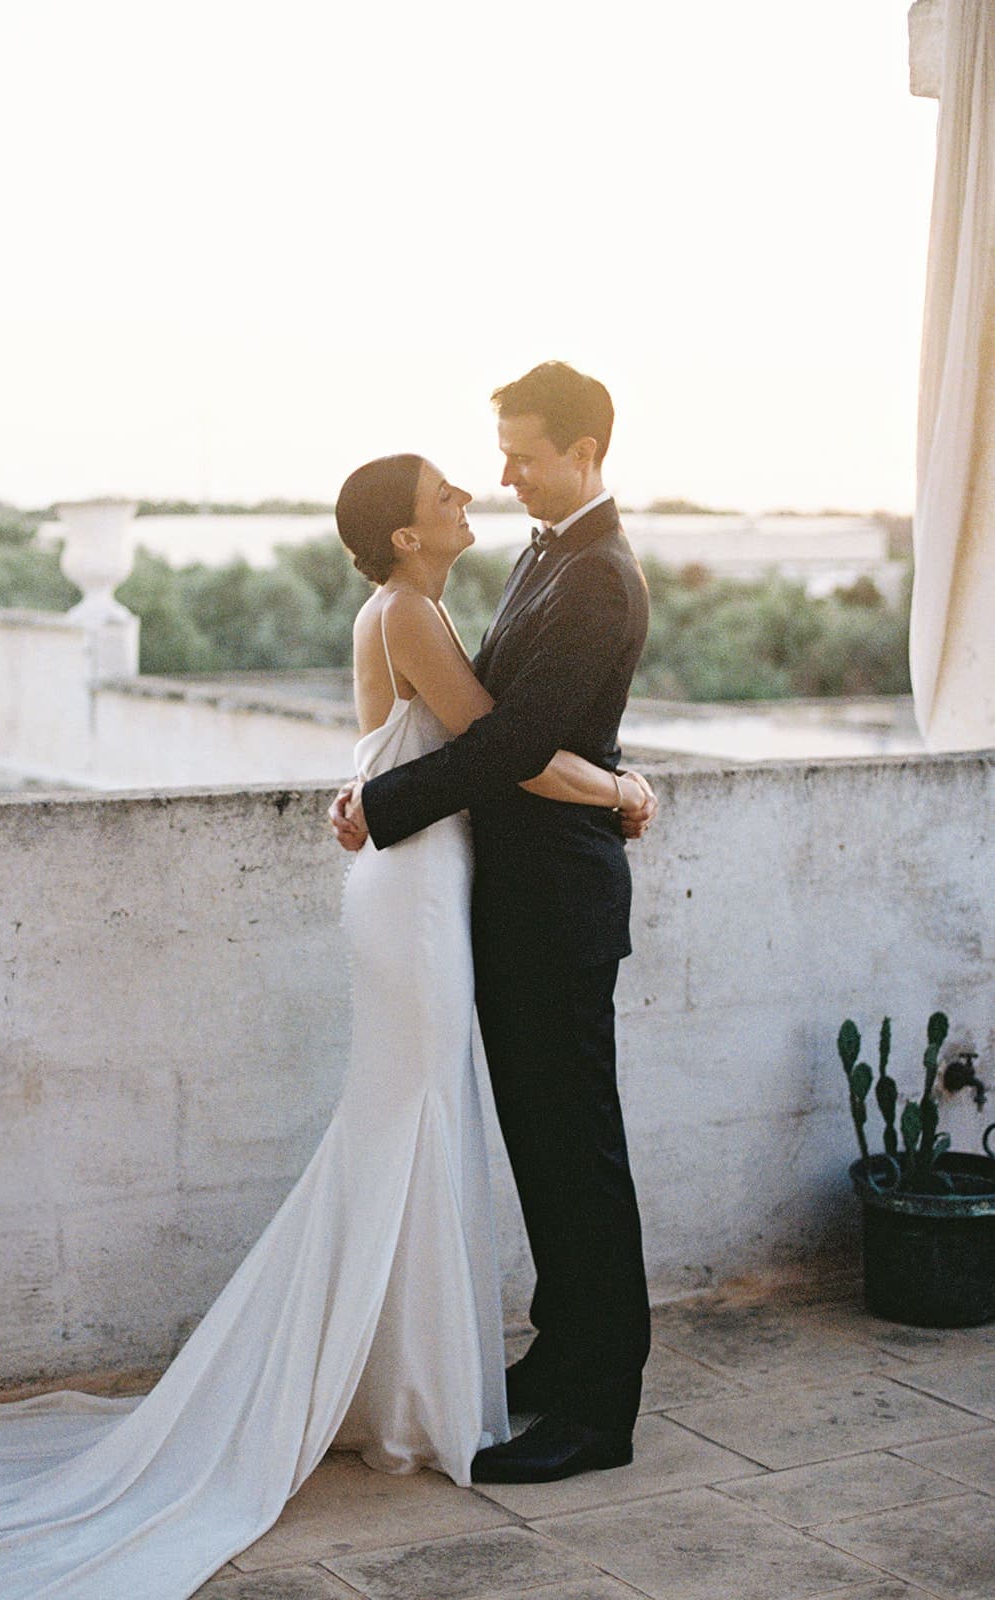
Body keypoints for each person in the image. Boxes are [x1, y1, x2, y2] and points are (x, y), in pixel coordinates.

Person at [0, 448, 654, 1600]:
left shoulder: (440, 593)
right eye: (446, 495)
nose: (473, 492)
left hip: (427, 885)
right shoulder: (410, 608)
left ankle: (409, 1370)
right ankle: (401, 1377)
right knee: (408, 1122)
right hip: (414, 894)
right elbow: (498, 745)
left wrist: (394, 790)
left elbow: (487, 738)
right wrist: (621, 789)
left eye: (486, 472)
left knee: (417, 1126)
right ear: (406, 537)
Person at [331, 362, 656, 1485]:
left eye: (521, 453)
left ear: (585, 449)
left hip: (557, 907)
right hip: (509, 902)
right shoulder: (543, 556)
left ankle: (596, 1414)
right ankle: (557, 1358)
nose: (502, 472)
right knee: (544, 1154)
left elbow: (513, 741)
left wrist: (383, 803)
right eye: (499, 453)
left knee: (580, 1159)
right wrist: (616, 785)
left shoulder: (599, 577)